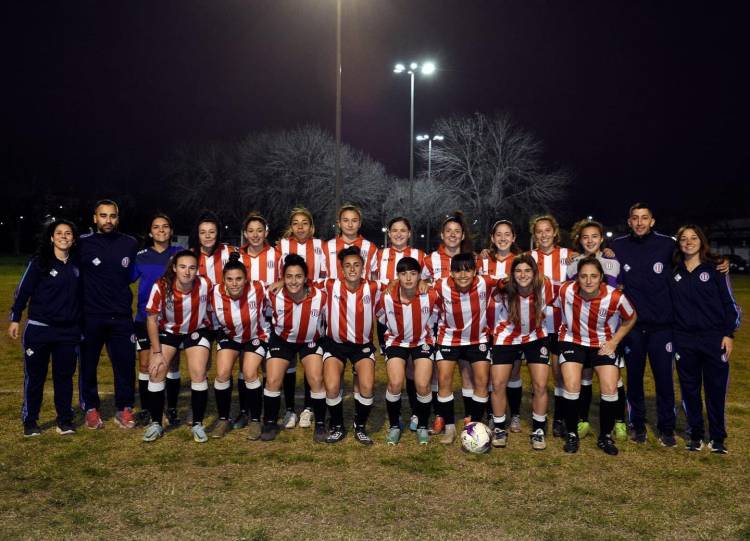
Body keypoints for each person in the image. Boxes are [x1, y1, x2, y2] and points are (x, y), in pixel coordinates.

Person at [610, 203, 678, 445]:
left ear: (652, 221)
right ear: (629, 222)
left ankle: (666, 427)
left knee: (664, 380)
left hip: (662, 327)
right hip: (633, 327)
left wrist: (718, 262)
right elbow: (596, 261)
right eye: (635, 218)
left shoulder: (668, 244)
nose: (639, 222)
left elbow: (694, 256)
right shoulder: (617, 246)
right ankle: (637, 424)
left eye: (644, 218)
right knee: (635, 379)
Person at [670, 225, 741, 454]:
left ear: (701, 241)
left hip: (714, 339)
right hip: (684, 340)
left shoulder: (715, 269)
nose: (688, 242)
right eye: (683, 239)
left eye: (693, 238)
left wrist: (728, 334)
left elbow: (730, 305)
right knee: (690, 389)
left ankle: (718, 438)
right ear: (678, 243)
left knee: (715, 390)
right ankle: (695, 435)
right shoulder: (674, 271)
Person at [557, 256, 637, 455]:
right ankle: (572, 434)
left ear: (601, 277)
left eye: (593, 276)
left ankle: (605, 436)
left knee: (610, 387)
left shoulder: (615, 297)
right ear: (577, 278)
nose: (588, 280)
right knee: (572, 384)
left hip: (603, 343)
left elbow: (631, 317)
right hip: (573, 340)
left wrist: (614, 341)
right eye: (583, 276)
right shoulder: (565, 290)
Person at [10, 219, 81, 436]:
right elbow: (23, 291)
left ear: (73, 239)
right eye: (59, 233)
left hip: (67, 332)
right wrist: (15, 317)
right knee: (35, 376)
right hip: (39, 329)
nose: (63, 236)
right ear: (51, 238)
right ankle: (30, 421)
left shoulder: (78, 266)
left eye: (68, 233)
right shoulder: (39, 262)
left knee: (64, 377)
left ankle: (64, 420)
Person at [78, 199, 139, 430]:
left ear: (118, 218)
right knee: (88, 364)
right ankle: (91, 408)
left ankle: (124, 408)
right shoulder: (83, 244)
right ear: (95, 218)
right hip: (90, 316)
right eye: (103, 216)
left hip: (121, 316)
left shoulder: (130, 243)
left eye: (112, 216)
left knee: (124, 364)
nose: (108, 220)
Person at [142, 250, 213, 442]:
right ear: (174, 268)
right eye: (182, 267)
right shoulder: (161, 286)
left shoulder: (205, 284)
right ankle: (156, 423)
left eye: (192, 268)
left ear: (197, 270)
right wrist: (156, 352)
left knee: (198, 372)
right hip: (169, 332)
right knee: (156, 371)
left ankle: (197, 423)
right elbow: (151, 320)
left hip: (196, 331)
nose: (187, 272)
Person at [567, 219, 628, 441]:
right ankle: (582, 419)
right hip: (583, 333)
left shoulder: (613, 262)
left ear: (601, 239)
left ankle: (619, 421)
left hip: (609, 331)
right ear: (579, 240)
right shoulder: (574, 264)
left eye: (594, 236)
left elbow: (620, 289)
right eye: (585, 237)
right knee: (583, 378)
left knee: (613, 379)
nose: (590, 240)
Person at [490, 254, 555, 451]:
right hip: (507, 336)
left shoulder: (546, 285)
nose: (523, 274)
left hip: (536, 336)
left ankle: (538, 430)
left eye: (527, 270)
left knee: (540, 384)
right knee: (498, 383)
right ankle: (500, 427)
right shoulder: (504, 286)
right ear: (512, 274)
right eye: (518, 271)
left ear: (535, 272)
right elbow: (486, 283)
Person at [321, 246, 384, 445]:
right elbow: (301, 282)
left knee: (366, 386)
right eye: (347, 265)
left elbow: (397, 286)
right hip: (335, 345)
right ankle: (338, 425)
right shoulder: (329, 285)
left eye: (356, 265)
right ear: (341, 269)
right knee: (331, 386)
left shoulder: (374, 287)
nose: (352, 269)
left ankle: (360, 425)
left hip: (362, 347)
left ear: (363, 267)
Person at [262, 254, 328, 442]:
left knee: (316, 378)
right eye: (289, 276)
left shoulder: (320, 296)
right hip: (282, 340)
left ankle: (321, 424)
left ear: (306, 278)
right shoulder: (272, 294)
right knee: (273, 380)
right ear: (283, 278)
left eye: (298, 276)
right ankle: (270, 422)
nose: (293, 281)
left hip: (310, 341)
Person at [433, 253, 497, 444]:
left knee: (482, 381)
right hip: (449, 339)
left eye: (467, 270)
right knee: (444, 379)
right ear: (451, 273)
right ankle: (450, 428)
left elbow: (508, 281)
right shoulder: (440, 285)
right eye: (458, 271)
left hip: (478, 339)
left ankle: (474, 427)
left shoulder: (486, 283)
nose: (463, 275)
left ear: (475, 271)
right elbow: (420, 284)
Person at [422, 212, 476, 435]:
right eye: (448, 231)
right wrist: (424, 283)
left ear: (462, 235)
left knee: (467, 372)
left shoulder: (473, 259)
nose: (452, 235)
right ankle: (441, 416)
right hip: (437, 323)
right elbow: (422, 282)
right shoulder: (429, 259)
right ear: (442, 235)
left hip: (467, 325)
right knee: (438, 373)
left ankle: (469, 416)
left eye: (457, 231)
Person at [375, 256, 437, 445]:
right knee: (394, 383)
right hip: (396, 342)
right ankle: (395, 425)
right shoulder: (387, 296)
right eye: (403, 274)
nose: (408, 278)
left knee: (423, 385)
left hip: (422, 341)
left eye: (413, 273)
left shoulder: (431, 295)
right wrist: (383, 345)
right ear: (397, 277)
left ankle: (422, 425)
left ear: (419, 275)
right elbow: (379, 320)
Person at [276, 207, 328, 429]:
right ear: (291, 226)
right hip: (288, 305)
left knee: (310, 363)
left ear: (312, 226)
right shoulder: (282, 246)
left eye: (304, 223)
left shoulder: (320, 247)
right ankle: (289, 409)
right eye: (295, 223)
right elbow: (278, 275)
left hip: (313, 306)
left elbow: (326, 275)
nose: (300, 227)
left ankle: (308, 408)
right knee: (288, 363)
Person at [209, 253, 270, 439]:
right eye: (229, 279)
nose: (234, 283)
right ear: (223, 280)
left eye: (239, 279)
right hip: (230, 336)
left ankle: (254, 420)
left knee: (250, 372)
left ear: (246, 279)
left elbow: (279, 286)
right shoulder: (214, 292)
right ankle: (223, 419)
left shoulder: (258, 288)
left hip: (255, 336)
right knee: (222, 373)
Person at [374, 216, 426, 431]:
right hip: (388, 317)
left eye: (403, 230)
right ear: (389, 233)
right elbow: (370, 280)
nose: (398, 234)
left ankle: (416, 413)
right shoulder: (379, 255)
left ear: (410, 233)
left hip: (413, 317)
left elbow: (427, 281)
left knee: (414, 369)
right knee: (395, 370)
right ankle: (396, 419)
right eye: (394, 230)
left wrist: (423, 281)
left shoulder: (420, 256)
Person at [132, 213, 183, 426]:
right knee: (145, 365)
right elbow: (123, 279)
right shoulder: (141, 256)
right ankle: (147, 408)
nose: (161, 230)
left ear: (171, 231)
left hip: (172, 319)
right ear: (150, 232)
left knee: (171, 364)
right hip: (145, 318)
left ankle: (171, 407)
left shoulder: (179, 253)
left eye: (165, 227)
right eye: (156, 227)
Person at [233, 212, 280, 430]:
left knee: (267, 366)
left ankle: (265, 412)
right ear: (244, 234)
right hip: (247, 316)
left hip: (272, 316)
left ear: (266, 232)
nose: (255, 235)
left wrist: (279, 281)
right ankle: (246, 411)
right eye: (250, 231)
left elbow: (288, 276)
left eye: (259, 231)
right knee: (246, 365)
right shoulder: (237, 257)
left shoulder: (277, 255)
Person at [478, 219, 523, 432]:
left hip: (511, 326)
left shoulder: (521, 261)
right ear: (493, 239)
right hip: (486, 324)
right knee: (489, 373)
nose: (503, 238)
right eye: (499, 235)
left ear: (513, 238)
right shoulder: (482, 261)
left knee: (513, 373)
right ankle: (491, 413)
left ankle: (515, 414)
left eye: (507, 234)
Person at [529, 215, 571, 438]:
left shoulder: (570, 257)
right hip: (537, 327)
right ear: (534, 235)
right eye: (539, 231)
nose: (543, 235)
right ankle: (539, 415)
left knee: (559, 374)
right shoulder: (528, 257)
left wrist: (608, 253)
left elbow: (593, 265)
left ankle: (561, 418)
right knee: (540, 377)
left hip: (562, 325)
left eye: (547, 230)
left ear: (555, 232)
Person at [190, 211, 237, 286]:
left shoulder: (230, 252)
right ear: (198, 235)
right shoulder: (190, 256)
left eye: (212, 232)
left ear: (218, 234)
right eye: (202, 232)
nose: (207, 236)